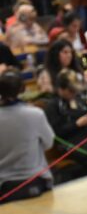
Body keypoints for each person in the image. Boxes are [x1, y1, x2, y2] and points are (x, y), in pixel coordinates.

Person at [0, 70, 55, 203]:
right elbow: (49, 143)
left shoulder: (34, 113)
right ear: (22, 89)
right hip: (35, 182)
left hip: (5, 186)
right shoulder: (35, 114)